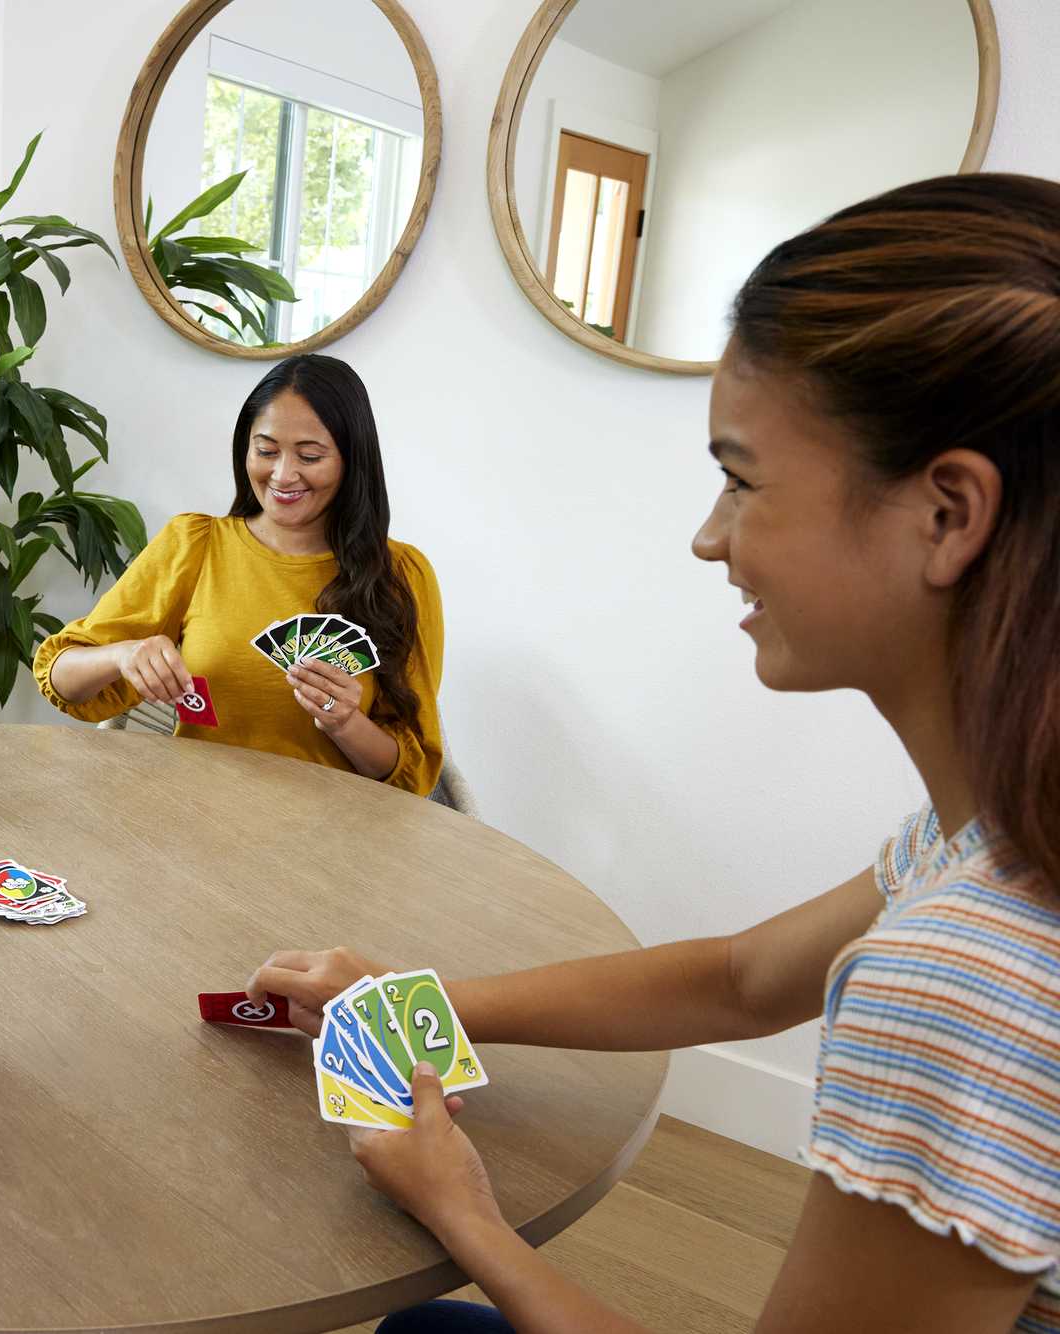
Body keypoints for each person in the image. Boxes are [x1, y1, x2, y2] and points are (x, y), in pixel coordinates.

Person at [246, 174, 1060, 1334]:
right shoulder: (985, 834)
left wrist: (463, 1212)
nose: (705, 536)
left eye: (739, 478)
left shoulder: (966, 975)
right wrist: (409, 999)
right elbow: (741, 977)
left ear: (947, 513)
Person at [34, 355, 446, 793]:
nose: (282, 475)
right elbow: (58, 675)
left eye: (310, 456)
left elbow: (414, 778)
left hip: (331, 826)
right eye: (266, 451)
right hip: (201, 812)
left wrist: (345, 723)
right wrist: (123, 655)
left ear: (352, 460)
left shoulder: (401, 575)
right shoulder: (195, 545)